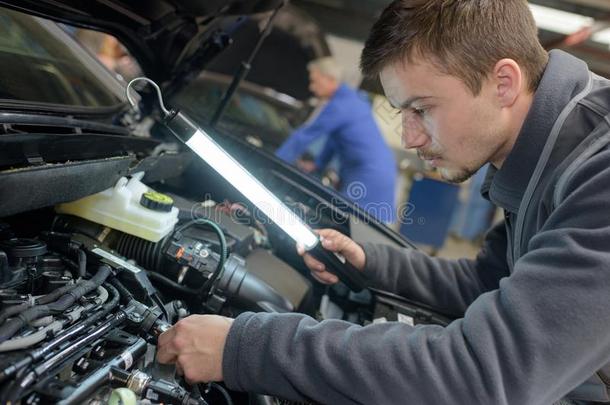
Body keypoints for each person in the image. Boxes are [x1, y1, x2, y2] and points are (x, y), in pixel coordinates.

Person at [156, 1, 610, 404]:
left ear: (503, 83)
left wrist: (246, 349)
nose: (410, 138)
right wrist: (371, 264)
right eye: (401, 112)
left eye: (422, 109)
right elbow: (486, 283)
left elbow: (481, 377)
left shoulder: (599, 169)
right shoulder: (539, 152)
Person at [275, 57, 398, 223]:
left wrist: (275, 163)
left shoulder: (341, 105)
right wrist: (318, 164)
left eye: (315, 81)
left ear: (330, 79)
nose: (311, 87)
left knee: (351, 227)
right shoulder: (352, 99)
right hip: (377, 171)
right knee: (351, 226)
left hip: (367, 175)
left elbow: (304, 136)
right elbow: (334, 140)